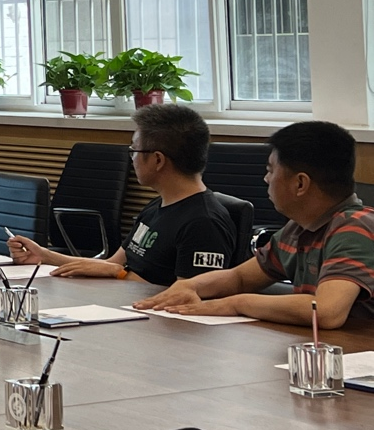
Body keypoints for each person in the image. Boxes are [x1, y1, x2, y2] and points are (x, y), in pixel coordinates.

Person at [134, 121, 374, 328]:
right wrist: (190, 286)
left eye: (271, 170)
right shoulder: (299, 228)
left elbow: (326, 311)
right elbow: (240, 278)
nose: (266, 179)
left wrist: (237, 304)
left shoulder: (354, 228)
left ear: (300, 184)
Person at [8, 104, 237, 286]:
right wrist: (44, 256)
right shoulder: (157, 207)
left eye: (134, 150)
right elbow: (112, 264)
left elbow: (188, 295)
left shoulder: (204, 223)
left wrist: (119, 274)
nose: (132, 157)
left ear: (158, 160)